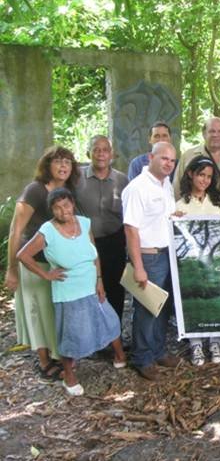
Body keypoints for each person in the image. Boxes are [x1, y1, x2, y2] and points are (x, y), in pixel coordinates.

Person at [17, 188, 126, 396]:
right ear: (52, 210)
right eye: (57, 207)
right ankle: (69, 376)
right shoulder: (47, 230)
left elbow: (94, 256)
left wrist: (100, 280)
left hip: (91, 285)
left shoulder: (84, 223)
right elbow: (23, 255)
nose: (63, 210)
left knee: (109, 321)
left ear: (73, 204)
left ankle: (120, 356)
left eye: (66, 205)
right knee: (72, 335)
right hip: (69, 291)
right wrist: (46, 275)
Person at [4, 146, 80, 381]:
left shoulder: (68, 190)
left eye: (67, 161)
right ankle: (45, 362)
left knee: (55, 311)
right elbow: (16, 231)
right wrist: (12, 269)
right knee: (38, 312)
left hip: (59, 264)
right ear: (47, 165)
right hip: (33, 264)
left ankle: (59, 355)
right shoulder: (34, 190)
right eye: (58, 161)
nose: (63, 165)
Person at [122, 142, 181, 380]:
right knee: (147, 308)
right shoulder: (137, 188)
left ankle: (157, 350)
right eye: (164, 158)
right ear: (150, 157)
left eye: (172, 160)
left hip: (166, 254)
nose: (168, 163)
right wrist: (138, 267)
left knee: (162, 306)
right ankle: (142, 357)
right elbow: (131, 229)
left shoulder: (165, 184)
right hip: (148, 256)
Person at [176, 156, 220, 365]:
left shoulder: (218, 202)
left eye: (209, 176)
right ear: (191, 174)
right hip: (191, 263)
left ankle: (215, 341)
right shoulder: (181, 204)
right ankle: (196, 344)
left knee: (215, 298)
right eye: (201, 175)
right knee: (194, 299)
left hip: (214, 261)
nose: (205, 180)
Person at [76, 135, 128, 322]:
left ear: (112, 154)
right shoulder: (75, 177)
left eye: (105, 150)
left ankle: (115, 337)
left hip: (114, 242)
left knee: (115, 290)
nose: (101, 154)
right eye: (96, 149)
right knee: (88, 290)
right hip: (84, 245)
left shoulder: (122, 180)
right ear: (88, 152)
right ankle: (93, 338)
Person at [173, 117, 220, 201]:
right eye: (212, 131)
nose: (215, 135)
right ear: (204, 134)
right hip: (195, 210)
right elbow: (177, 188)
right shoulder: (188, 157)